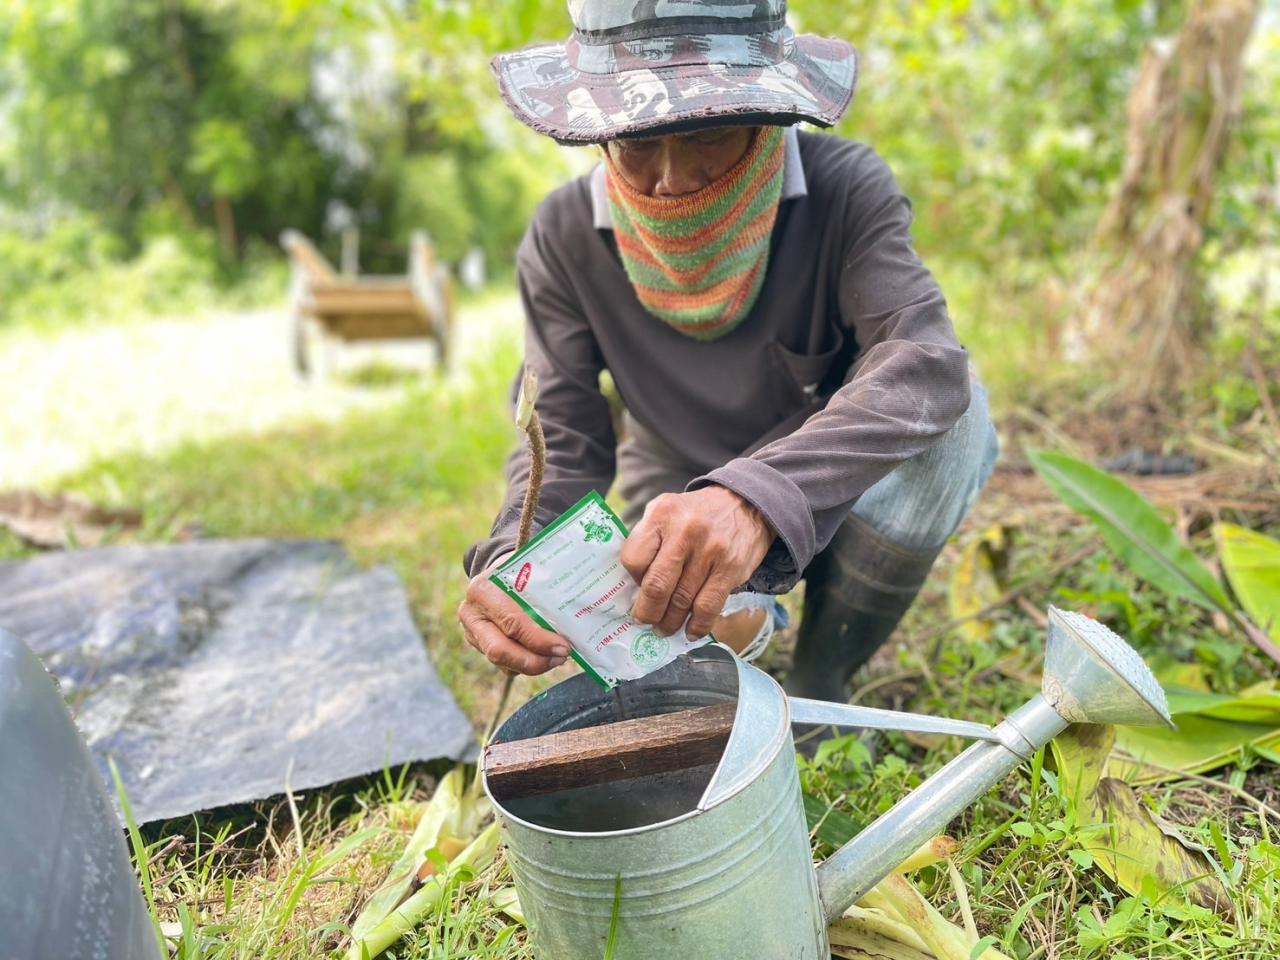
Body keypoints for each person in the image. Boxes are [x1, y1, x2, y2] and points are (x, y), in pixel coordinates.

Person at [458, 0, 999, 704]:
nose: (672, 180)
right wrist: (512, 561)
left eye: (708, 132)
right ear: (599, 134)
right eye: (637, 141)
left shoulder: (844, 189)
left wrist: (752, 502)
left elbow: (924, 362)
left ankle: (823, 674)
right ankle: (737, 645)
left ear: (770, 120)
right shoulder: (564, 236)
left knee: (957, 422)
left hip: (835, 473)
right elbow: (560, 429)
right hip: (675, 503)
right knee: (688, 647)